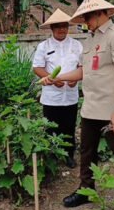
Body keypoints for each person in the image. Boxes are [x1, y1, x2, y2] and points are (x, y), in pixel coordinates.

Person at [51, 0, 114, 210]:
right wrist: (59, 77)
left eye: (88, 16)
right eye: (84, 17)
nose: (86, 21)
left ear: (102, 13)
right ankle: (86, 189)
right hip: (91, 107)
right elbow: (84, 71)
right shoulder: (91, 38)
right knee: (86, 152)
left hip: (110, 108)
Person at [33, 9, 82, 168]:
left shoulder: (77, 45)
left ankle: (69, 156)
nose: (62, 29)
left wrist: (75, 80)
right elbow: (37, 68)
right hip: (51, 97)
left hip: (70, 95)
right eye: (58, 26)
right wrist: (52, 79)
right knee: (51, 127)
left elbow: (81, 66)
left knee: (69, 126)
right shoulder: (44, 46)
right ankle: (52, 157)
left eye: (65, 26)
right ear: (52, 28)